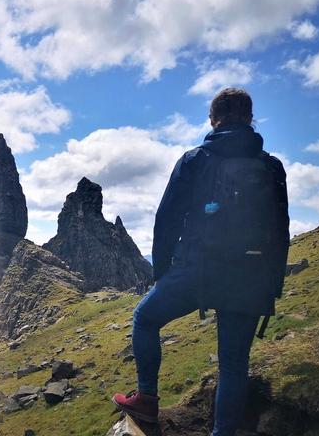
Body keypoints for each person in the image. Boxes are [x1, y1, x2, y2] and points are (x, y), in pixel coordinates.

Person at [111, 88, 289, 436]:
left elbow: (166, 219)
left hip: (198, 270)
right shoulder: (271, 165)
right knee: (234, 366)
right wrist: (272, 283)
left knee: (145, 318)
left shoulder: (195, 160)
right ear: (251, 119)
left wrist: (161, 273)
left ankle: (146, 399)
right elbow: (280, 226)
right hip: (250, 276)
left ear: (212, 119)